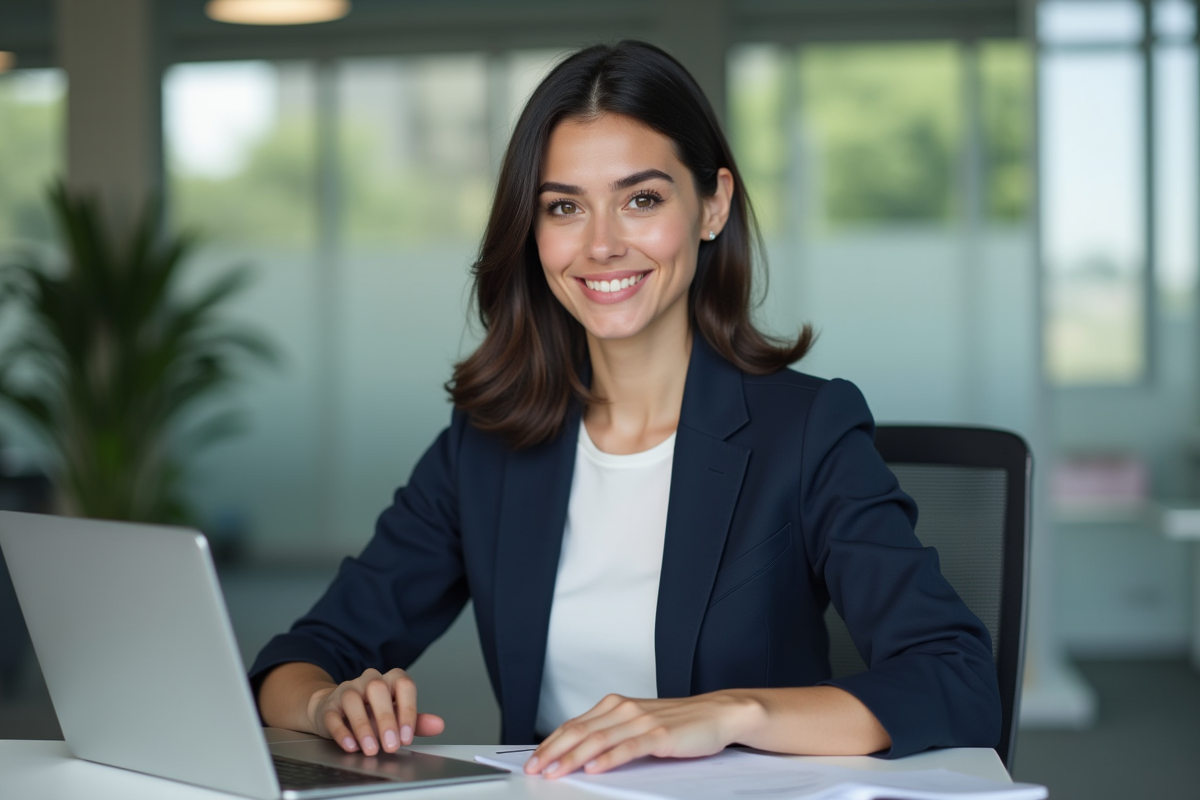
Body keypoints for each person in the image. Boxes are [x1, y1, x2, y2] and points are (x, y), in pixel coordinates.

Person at [249, 40, 1000, 779]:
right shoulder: (488, 443)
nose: (602, 244)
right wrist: (326, 706)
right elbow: (295, 663)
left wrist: (732, 713)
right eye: (565, 207)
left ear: (713, 206)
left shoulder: (806, 431)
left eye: (641, 199)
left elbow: (957, 680)